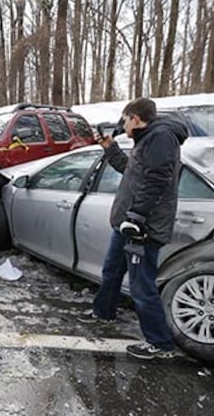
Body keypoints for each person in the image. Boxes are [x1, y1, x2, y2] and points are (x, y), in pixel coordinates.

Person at [80, 97, 189, 360]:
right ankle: (103, 312)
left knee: (142, 286)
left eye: (125, 120)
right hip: (127, 224)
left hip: (143, 227)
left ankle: (160, 344)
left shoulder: (160, 138)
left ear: (136, 118)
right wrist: (110, 148)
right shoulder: (148, 138)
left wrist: (137, 216)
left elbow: (156, 180)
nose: (123, 125)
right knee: (112, 271)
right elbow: (132, 171)